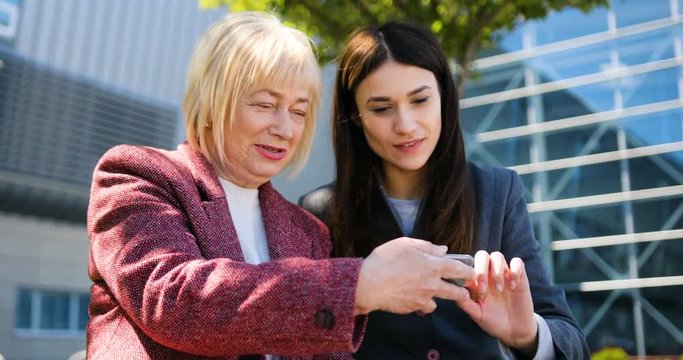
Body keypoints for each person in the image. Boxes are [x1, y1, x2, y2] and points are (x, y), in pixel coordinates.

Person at [86, 12, 477, 360]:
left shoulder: (309, 230)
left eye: (299, 111)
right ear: (211, 100)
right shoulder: (138, 175)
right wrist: (360, 284)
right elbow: (176, 302)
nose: (285, 128)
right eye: (264, 104)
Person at [300, 21, 590, 359]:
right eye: (381, 108)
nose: (405, 125)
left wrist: (527, 334)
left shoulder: (497, 192)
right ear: (356, 116)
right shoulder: (321, 211)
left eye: (420, 100)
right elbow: (307, 336)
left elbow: (570, 338)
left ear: (443, 97)